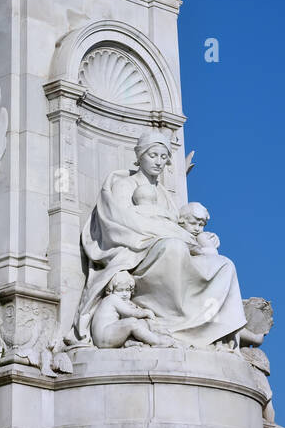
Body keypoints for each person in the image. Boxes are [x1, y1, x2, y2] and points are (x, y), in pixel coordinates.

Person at [72, 132, 247, 350]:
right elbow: (120, 223)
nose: (158, 161)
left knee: (224, 265)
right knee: (172, 247)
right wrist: (174, 235)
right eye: (153, 155)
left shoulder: (165, 195)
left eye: (163, 157)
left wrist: (199, 238)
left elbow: (178, 225)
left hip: (173, 249)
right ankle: (169, 324)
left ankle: (210, 331)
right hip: (136, 252)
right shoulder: (124, 185)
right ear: (140, 157)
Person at [90, 272, 175, 348]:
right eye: (120, 290)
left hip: (108, 336)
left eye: (127, 290)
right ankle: (156, 342)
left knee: (138, 323)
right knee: (132, 322)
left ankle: (129, 342)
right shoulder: (112, 298)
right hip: (104, 336)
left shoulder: (117, 300)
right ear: (111, 291)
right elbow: (132, 313)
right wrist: (146, 312)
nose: (124, 294)